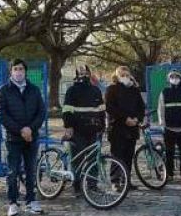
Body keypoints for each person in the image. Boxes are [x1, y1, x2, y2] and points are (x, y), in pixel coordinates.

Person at [0, 59, 47, 216]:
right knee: (13, 171)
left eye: (21, 69)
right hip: (13, 138)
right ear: (11, 71)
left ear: (25, 71)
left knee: (31, 170)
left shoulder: (34, 90)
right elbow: (1, 115)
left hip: (32, 137)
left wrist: (31, 129)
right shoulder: (3, 90)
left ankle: (31, 201)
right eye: (16, 69)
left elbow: (41, 112)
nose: (19, 72)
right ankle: (13, 203)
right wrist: (20, 130)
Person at [62, 64, 105, 194]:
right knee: (77, 159)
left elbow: (101, 110)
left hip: (94, 130)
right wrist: (68, 127)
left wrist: (103, 126)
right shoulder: (72, 91)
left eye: (85, 72)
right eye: (80, 73)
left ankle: (92, 185)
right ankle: (77, 185)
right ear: (76, 75)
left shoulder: (96, 90)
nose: (83, 75)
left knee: (94, 159)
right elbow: (67, 111)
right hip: (77, 130)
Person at [104, 65, 145, 187]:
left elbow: (141, 107)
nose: (125, 77)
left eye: (127, 75)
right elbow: (110, 107)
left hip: (132, 128)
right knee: (117, 155)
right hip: (117, 128)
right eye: (122, 75)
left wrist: (137, 119)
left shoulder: (134, 90)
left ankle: (126, 180)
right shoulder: (111, 89)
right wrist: (125, 119)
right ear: (116, 76)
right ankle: (115, 181)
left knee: (128, 155)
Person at [157, 69, 181, 182]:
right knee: (169, 152)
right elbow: (160, 108)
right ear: (169, 79)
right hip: (169, 128)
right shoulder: (164, 92)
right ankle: (169, 174)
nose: (174, 79)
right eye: (172, 77)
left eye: (176, 77)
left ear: (180, 78)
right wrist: (161, 123)